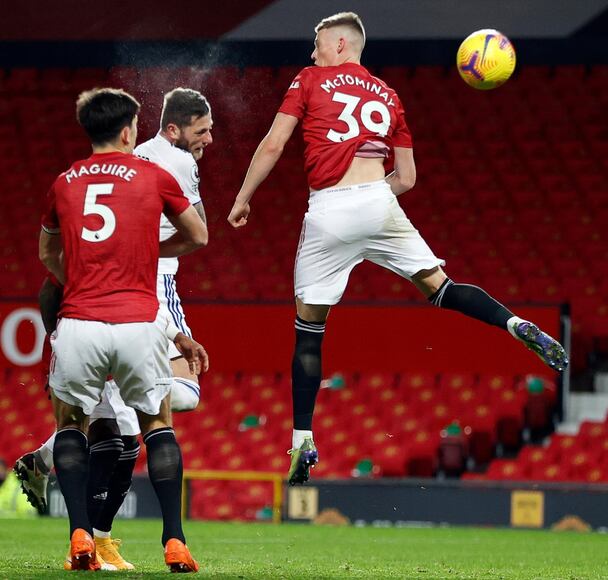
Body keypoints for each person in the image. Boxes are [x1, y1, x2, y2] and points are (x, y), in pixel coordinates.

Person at [227, 12, 568, 486]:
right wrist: (374, 196)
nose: (312, 52)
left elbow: (272, 144)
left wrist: (243, 197)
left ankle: (302, 437)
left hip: (329, 208)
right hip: (380, 202)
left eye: (317, 43)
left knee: (309, 329)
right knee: (440, 289)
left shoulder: (309, 79)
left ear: (342, 44)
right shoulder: (389, 96)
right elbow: (406, 179)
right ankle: (513, 322)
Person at [15, 88, 213, 571]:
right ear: (129, 131)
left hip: (80, 320)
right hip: (139, 320)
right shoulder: (152, 174)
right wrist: (148, 257)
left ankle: (81, 536)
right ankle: (175, 540)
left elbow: (46, 255)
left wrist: (81, 281)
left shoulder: (64, 183)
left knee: (71, 425)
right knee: (156, 425)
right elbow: (200, 234)